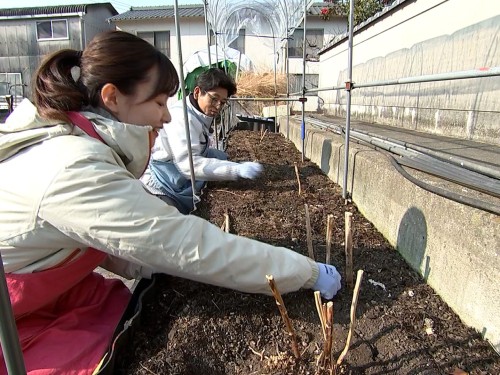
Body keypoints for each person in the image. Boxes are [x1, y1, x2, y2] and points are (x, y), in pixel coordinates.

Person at [0, 30, 341, 375]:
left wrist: (153, 263)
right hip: (13, 312)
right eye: (159, 103)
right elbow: (191, 245)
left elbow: (111, 243)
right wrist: (306, 272)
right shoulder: (74, 167)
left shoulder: (74, 143)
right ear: (112, 97)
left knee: (112, 313)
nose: (166, 116)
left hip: (40, 291)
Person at [141, 67, 263, 214]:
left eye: (223, 102)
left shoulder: (198, 113)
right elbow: (189, 164)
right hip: (164, 185)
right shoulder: (182, 118)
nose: (218, 106)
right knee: (174, 222)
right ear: (198, 92)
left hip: (177, 177)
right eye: (214, 99)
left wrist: (224, 158)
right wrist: (235, 169)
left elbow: (200, 147)